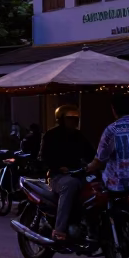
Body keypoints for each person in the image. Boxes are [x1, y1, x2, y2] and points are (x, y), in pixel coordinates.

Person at [40, 104, 95, 243]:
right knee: (70, 185)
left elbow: (91, 154)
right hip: (58, 176)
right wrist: (58, 167)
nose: (74, 121)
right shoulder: (51, 135)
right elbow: (44, 157)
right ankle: (59, 231)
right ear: (61, 119)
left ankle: (92, 228)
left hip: (78, 173)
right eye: (70, 118)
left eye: (76, 118)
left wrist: (96, 163)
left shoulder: (79, 136)